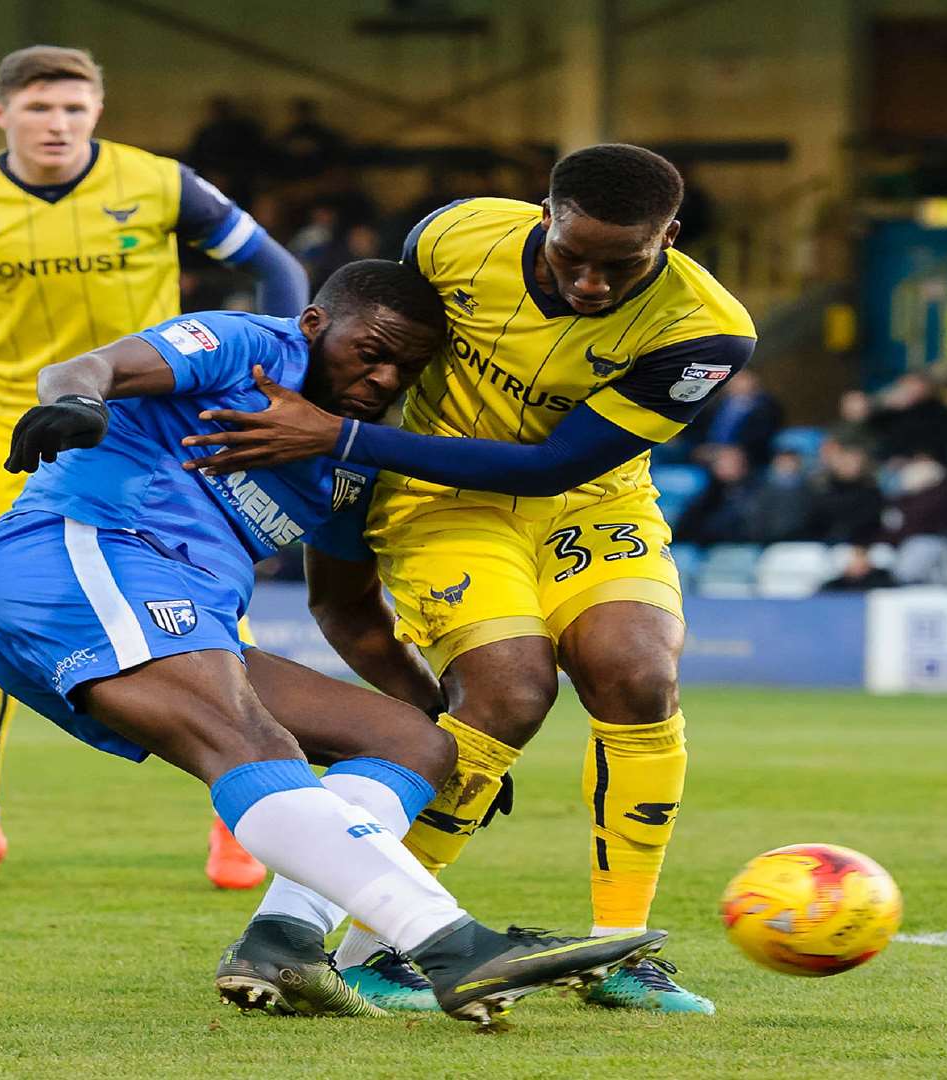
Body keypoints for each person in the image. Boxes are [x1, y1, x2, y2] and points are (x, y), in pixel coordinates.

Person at [0, 260, 664, 1026]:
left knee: (408, 745)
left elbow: (349, 612)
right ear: (318, 324)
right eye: (371, 352)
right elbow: (86, 365)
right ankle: (450, 945)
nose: (383, 378)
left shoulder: (351, 456)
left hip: (179, 615)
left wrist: (448, 721)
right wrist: (81, 403)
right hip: (78, 557)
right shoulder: (243, 346)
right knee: (251, 742)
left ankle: (283, 942)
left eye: (406, 368)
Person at [180, 144, 755, 1013]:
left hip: (588, 499)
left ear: (669, 237)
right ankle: (376, 947)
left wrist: (335, 441)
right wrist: (332, 433)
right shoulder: (453, 236)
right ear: (544, 215)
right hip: (441, 497)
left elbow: (555, 465)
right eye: (573, 257)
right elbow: (374, 335)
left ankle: (616, 952)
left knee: (639, 673)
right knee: (509, 689)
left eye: (621, 264)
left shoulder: (706, 331)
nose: (592, 284)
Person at [0, 46, 310, 891]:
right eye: (40, 109)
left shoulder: (162, 182)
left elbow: (276, 267)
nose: (58, 125)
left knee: (211, 612)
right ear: (2, 115)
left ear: (97, 112)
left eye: (75, 110)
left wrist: (276, 376)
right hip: (19, 430)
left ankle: (240, 816)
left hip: (160, 426)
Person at [819, 545, 896, 592]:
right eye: (855, 560)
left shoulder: (882, 581)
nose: (858, 564)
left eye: (862, 558)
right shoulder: (833, 586)